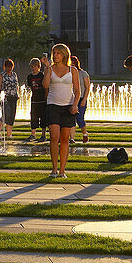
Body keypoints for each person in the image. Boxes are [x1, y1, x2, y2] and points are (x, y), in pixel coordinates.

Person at [42, 43, 80, 178]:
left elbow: (77, 90)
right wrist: (47, 69)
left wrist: (75, 105)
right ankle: (54, 169)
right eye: (54, 53)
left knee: (65, 139)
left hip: (68, 107)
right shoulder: (49, 69)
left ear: (64, 54)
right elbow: (45, 85)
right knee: (54, 137)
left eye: (58, 53)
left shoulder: (72, 70)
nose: (56, 55)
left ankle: (62, 170)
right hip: (53, 105)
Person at [0, 59, 19, 139]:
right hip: (4, 97)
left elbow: (16, 85)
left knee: (12, 116)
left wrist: (17, 93)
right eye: (7, 67)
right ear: (5, 67)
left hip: (13, 97)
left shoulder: (14, 74)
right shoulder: (2, 75)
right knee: (5, 115)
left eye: (10, 67)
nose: (9, 69)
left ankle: (9, 134)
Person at [70, 55, 91, 145]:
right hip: (71, 99)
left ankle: (85, 134)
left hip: (81, 98)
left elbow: (87, 87)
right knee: (71, 119)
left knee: (80, 118)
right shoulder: (67, 74)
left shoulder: (83, 73)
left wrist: (84, 99)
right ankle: (72, 138)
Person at [26, 58, 47, 143]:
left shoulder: (42, 76)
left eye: (35, 66)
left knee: (43, 118)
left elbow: (46, 87)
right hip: (34, 100)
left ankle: (43, 135)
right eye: (32, 66)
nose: (33, 68)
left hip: (42, 100)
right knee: (34, 117)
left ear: (39, 67)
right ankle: (33, 134)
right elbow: (31, 88)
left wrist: (46, 97)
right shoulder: (30, 77)